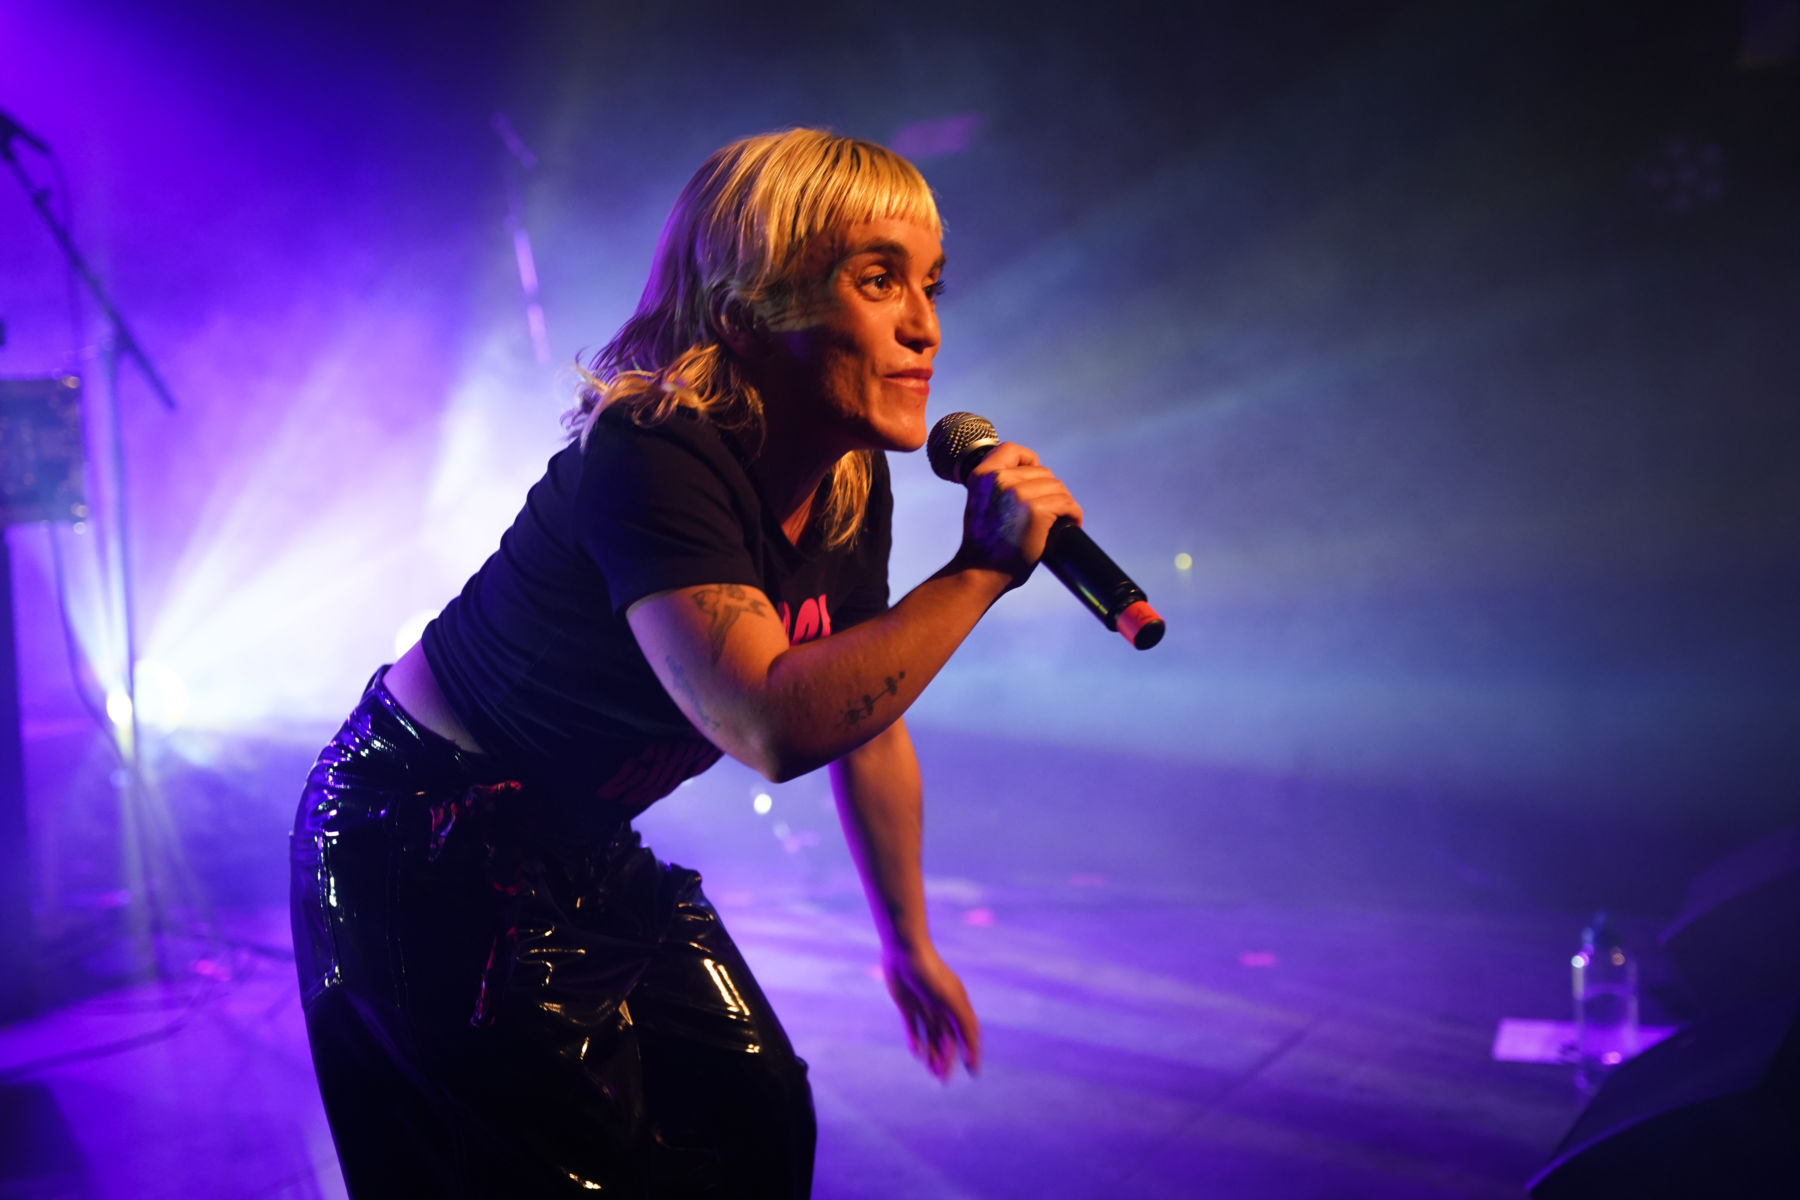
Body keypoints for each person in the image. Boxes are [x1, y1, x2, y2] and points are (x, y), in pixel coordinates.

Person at [289, 128, 1082, 1198]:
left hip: (576, 840)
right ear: (748, 308)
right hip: (424, 840)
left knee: (749, 1117)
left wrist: (908, 941)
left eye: (930, 284)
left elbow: (867, 715)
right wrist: (980, 572)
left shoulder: (849, 483)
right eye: (877, 280)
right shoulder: (654, 450)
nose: (924, 325)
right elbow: (769, 723)